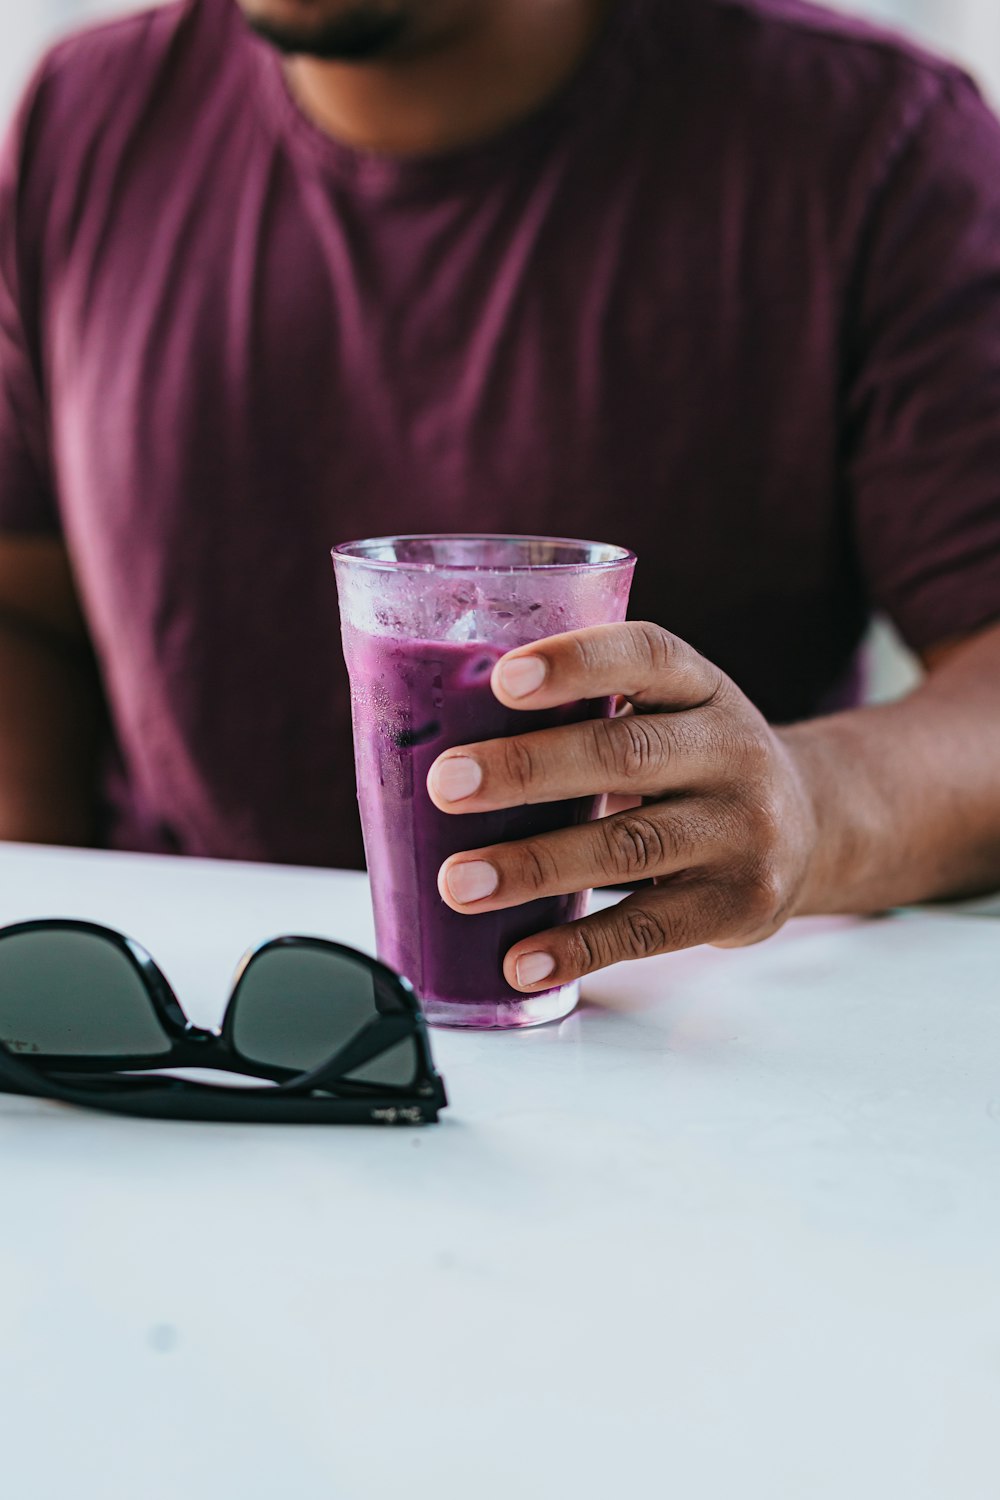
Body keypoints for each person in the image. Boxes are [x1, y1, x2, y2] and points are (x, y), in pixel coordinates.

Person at [1, 0, 999, 997]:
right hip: (203, 1032)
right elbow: (23, 613)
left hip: (659, 1036)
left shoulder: (868, 140)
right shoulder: (82, 114)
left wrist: (811, 808)